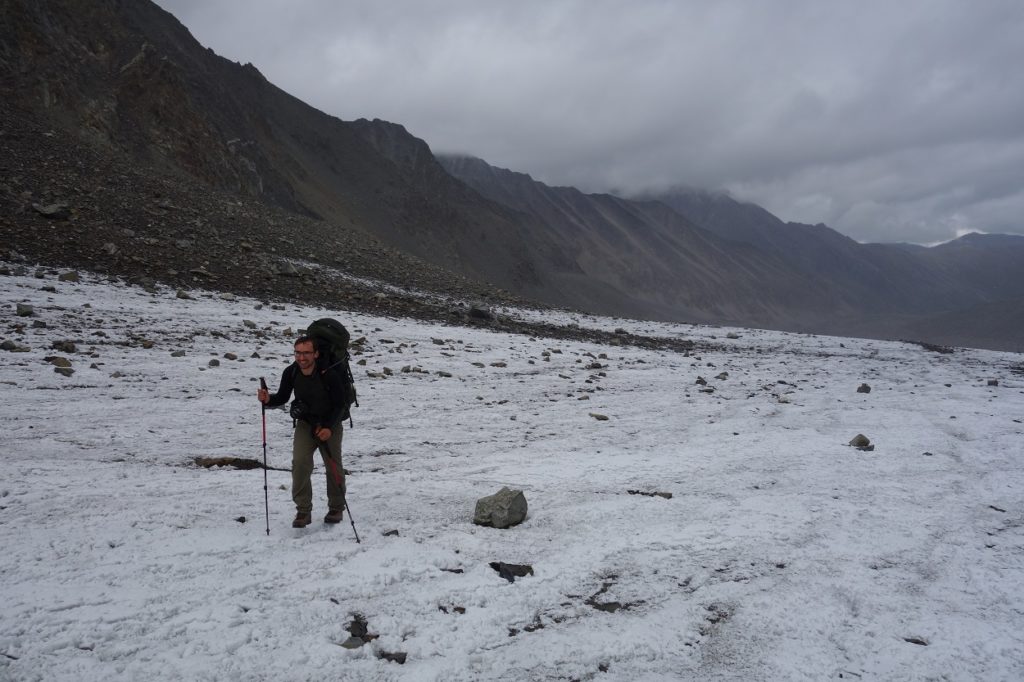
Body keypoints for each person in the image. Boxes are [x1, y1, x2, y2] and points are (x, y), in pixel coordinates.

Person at [258, 336, 348, 528]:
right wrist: (268, 400)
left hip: (330, 423)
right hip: (306, 423)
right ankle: (303, 510)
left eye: (306, 353)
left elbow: (341, 404)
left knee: (332, 465)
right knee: (299, 463)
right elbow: (282, 397)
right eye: (298, 352)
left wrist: (329, 428)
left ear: (315, 354)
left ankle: (336, 507)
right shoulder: (291, 372)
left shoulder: (328, 373)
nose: (301, 357)